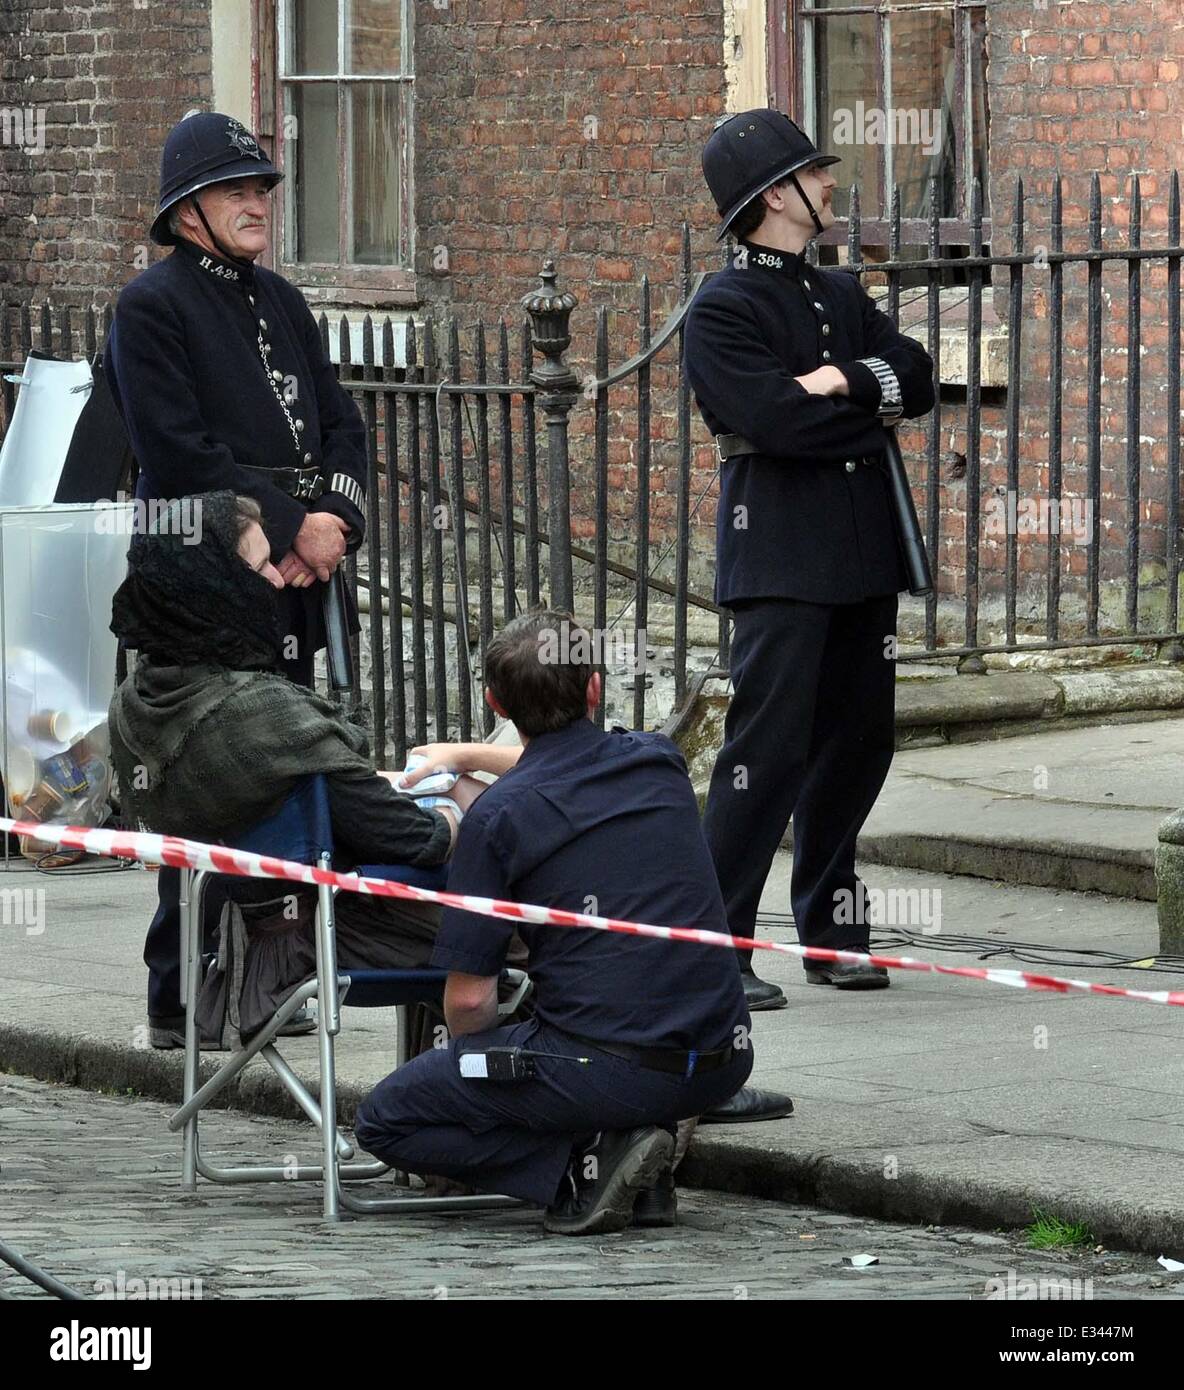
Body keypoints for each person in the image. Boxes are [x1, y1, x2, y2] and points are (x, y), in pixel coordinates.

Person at [354, 610, 792, 1237]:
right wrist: (469, 758)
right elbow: (564, 765)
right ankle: (632, 1150)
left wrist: (487, 1065)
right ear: (595, 687)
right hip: (724, 1057)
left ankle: (581, 1167)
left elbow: (470, 1003)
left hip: (601, 1069)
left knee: (387, 1117)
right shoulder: (659, 761)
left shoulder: (496, 819)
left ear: (494, 702)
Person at [104, 111, 370, 1044]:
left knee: (282, 779)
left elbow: (342, 427)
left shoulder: (284, 302)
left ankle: (267, 980)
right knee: (205, 780)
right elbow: (179, 455)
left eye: (261, 189)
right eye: (235, 192)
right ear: (188, 213)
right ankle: (179, 992)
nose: (257, 204)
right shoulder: (149, 309)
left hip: (295, 577)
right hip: (202, 583)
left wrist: (333, 523)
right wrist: (296, 526)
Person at [683, 110, 936, 1008]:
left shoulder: (840, 294)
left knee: (858, 747)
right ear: (773, 197)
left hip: (864, 551)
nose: (830, 182)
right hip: (781, 555)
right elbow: (775, 423)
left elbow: (920, 375)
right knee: (767, 752)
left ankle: (833, 933)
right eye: (814, 172)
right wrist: (868, 411)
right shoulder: (722, 309)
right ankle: (718, 947)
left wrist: (842, 380)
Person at [108, 491, 479, 1044]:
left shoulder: (136, 708)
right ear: (216, 586)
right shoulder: (264, 719)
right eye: (260, 566)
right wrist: (460, 811)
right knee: (525, 919)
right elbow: (408, 838)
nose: (276, 581)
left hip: (233, 940)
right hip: (320, 937)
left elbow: (326, 799)